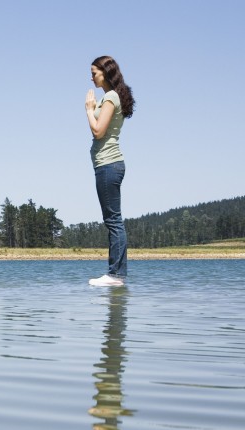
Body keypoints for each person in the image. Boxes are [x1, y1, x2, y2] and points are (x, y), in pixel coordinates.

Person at [85, 56, 135, 287]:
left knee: (113, 220)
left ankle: (116, 274)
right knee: (113, 220)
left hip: (108, 164)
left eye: (94, 72)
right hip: (107, 165)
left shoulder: (111, 97)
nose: (91, 76)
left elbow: (98, 132)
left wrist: (89, 110)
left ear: (105, 72)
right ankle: (116, 274)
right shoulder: (111, 97)